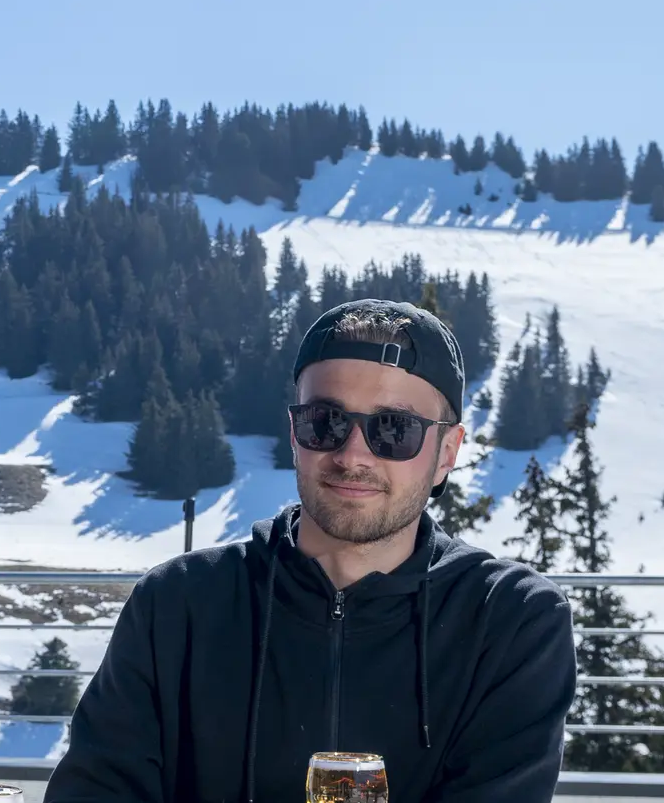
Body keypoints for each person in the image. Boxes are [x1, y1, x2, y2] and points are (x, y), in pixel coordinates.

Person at [48, 298, 576, 803]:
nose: (352, 454)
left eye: (395, 429)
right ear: (294, 432)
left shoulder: (510, 620)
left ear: (446, 453)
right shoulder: (178, 605)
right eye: (326, 421)